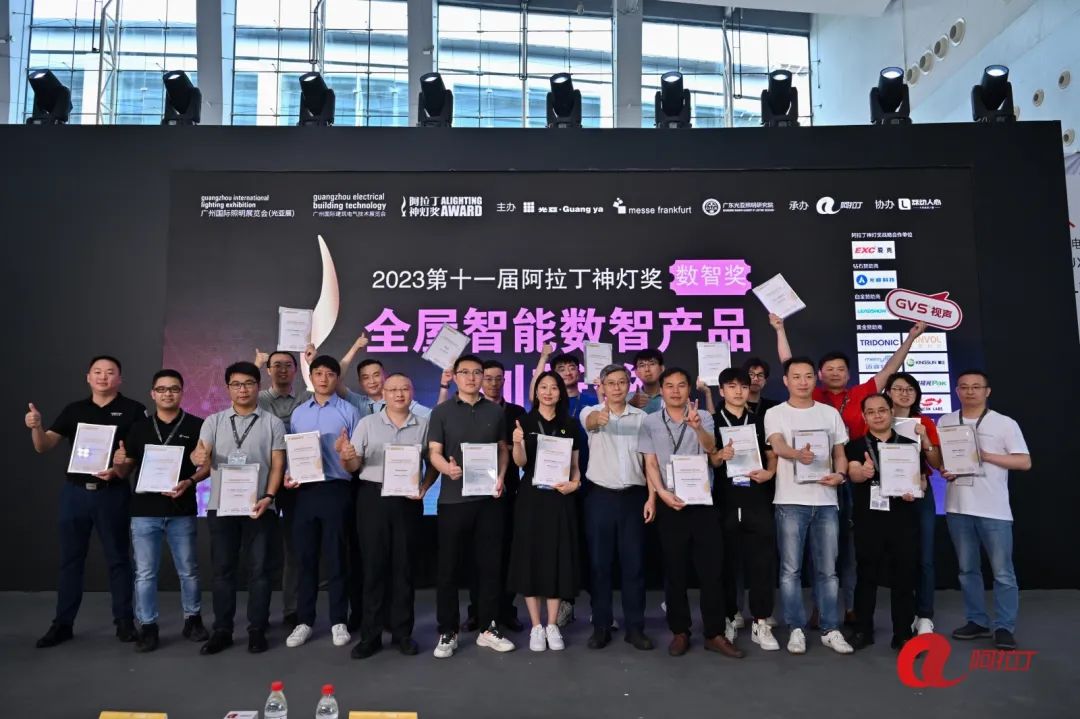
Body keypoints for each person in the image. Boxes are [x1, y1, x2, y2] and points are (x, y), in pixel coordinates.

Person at [771, 313, 927, 626]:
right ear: (818, 375)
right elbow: (789, 364)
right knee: (820, 550)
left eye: (841, 369)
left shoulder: (861, 394)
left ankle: (852, 606)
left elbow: (889, 370)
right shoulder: (813, 396)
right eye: (828, 369)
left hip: (858, 473)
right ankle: (821, 607)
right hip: (819, 476)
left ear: (849, 373)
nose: (835, 373)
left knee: (854, 547)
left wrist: (911, 338)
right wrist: (780, 329)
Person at [26, 355, 145, 648]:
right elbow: (44, 446)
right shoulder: (74, 410)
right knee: (70, 560)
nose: (103, 377)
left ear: (120, 378)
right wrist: (36, 427)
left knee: (119, 559)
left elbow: (135, 458)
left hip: (112, 493)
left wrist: (119, 467)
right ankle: (62, 624)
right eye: (97, 372)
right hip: (75, 494)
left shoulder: (133, 410)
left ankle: (124, 622)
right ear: (88, 377)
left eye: (110, 372)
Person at [639, 368, 743, 658]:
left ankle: (714, 633)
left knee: (712, 571)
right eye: (669, 386)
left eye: (681, 385)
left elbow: (711, 451)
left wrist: (697, 427)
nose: (675, 391)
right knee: (675, 571)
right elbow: (650, 463)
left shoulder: (704, 416)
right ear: (661, 390)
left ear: (689, 389)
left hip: (702, 502)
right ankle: (680, 631)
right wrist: (661, 494)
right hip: (670, 502)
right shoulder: (650, 422)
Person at [191, 361, 285, 655]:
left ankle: (257, 629)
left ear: (258, 386)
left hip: (260, 507)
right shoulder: (214, 421)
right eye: (236, 384)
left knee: (260, 571)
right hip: (221, 508)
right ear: (228, 388)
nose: (242, 389)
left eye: (248, 383)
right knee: (222, 571)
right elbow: (202, 457)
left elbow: (278, 465)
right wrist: (197, 458)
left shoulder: (273, 423)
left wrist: (269, 496)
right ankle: (222, 630)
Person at [112, 369, 209, 652]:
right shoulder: (138, 428)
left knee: (188, 571)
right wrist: (118, 463)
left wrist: (192, 479)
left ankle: (193, 619)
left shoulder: (197, 425)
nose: (168, 394)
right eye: (162, 389)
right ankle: (148, 626)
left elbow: (206, 467)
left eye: (174, 389)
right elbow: (125, 471)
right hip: (144, 511)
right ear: (153, 394)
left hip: (181, 509)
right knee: (145, 573)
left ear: (182, 393)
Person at [763, 356, 852, 655]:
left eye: (808, 376)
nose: (803, 382)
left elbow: (840, 453)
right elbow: (777, 445)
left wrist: (840, 475)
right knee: (791, 571)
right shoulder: (775, 413)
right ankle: (796, 628)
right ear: (786, 381)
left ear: (816, 379)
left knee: (828, 571)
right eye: (796, 376)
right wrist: (796, 455)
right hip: (790, 502)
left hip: (826, 502)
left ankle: (830, 628)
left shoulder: (829, 413)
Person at [341, 372, 433, 658]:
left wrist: (425, 487)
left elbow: (433, 462)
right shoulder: (367, 423)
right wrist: (347, 456)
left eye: (404, 389)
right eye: (392, 390)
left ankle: (403, 633)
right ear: (383, 394)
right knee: (373, 567)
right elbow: (353, 466)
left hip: (407, 500)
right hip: (373, 498)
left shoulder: (424, 425)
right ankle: (370, 635)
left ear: (412, 392)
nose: (399, 394)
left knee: (404, 568)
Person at [428, 354, 514, 657]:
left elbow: (503, 450)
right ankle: (448, 630)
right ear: (455, 377)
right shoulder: (441, 412)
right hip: (453, 501)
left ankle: (488, 628)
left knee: (490, 566)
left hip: (488, 500)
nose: (471, 378)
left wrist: (501, 476)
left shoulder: (495, 410)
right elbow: (434, 452)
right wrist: (446, 469)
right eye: (465, 372)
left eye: (477, 372)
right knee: (448, 569)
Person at [939, 370, 1031, 650]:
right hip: (957, 506)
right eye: (964, 387)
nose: (970, 391)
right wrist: (945, 470)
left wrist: (986, 456)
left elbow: (1024, 462)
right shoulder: (946, 421)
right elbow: (943, 460)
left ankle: (1004, 627)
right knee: (967, 570)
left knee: (1003, 572)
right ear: (957, 391)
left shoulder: (1004, 423)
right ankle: (977, 621)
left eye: (976, 387)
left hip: (994, 509)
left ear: (987, 391)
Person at [281, 355, 362, 650]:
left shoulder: (350, 411)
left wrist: (346, 451)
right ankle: (304, 620)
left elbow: (357, 456)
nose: (324, 378)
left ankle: (339, 620)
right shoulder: (298, 413)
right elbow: (292, 452)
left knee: (337, 557)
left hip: (336, 489)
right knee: (305, 558)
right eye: (318, 373)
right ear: (311, 377)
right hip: (304, 491)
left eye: (330, 374)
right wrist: (289, 473)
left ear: (337, 378)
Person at [580, 364, 656, 651]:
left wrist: (652, 497)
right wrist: (600, 418)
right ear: (601, 386)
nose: (616, 388)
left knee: (634, 565)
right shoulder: (590, 412)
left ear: (629, 384)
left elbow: (650, 462)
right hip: (600, 497)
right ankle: (601, 627)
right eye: (610, 383)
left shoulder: (642, 418)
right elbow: (591, 423)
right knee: (600, 565)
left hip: (634, 498)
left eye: (622, 382)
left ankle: (635, 628)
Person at [507, 371, 583, 651]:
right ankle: (536, 627)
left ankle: (552, 624)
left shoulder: (570, 424)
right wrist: (517, 441)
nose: (548, 392)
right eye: (543, 387)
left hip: (560, 498)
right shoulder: (524, 422)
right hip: (531, 498)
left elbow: (575, 467)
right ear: (536, 392)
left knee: (556, 557)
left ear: (560, 393)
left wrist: (575, 484)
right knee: (531, 557)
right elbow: (520, 462)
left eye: (554, 387)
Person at [709, 368, 779, 652]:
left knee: (762, 563)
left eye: (743, 386)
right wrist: (720, 456)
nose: (738, 391)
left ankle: (761, 621)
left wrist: (770, 472)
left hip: (756, 497)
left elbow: (772, 455)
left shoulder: (762, 420)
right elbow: (710, 460)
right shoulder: (712, 421)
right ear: (721, 391)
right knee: (725, 563)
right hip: (725, 499)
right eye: (731, 386)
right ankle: (729, 616)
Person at [844, 394, 922, 651]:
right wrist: (863, 472)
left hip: (903, 520)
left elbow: (921, 480)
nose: (877, 416)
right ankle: (862, 630)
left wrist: (915, 490)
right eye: (871, 412)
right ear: (864, 416)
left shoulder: (909, 445)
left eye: (882, 410)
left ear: (891, 412)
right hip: (869, 520)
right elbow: (853, 472)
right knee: (866, 576)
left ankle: (903, 633)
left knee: (904, 578)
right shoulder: (856, 445)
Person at [531, 345, 597, 627]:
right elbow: (535, 389)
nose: (568, 372)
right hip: (556, 483)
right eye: (561, 369)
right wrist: (543, 357)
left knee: (591, 545)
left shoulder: (592, 398)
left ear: (580, 371)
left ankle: (598, 607)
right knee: (564, 546)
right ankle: (565, 604)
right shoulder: (549, 404)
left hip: (591, 480)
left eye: (572, 367)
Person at [463, 360, 527, 633]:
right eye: (487, 378)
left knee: (507, 553)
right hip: (475, 491)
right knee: (477, 556)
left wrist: (509, 447)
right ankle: (476, 612)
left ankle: (506, 611)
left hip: (508, 489)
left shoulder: (516, 411)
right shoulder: (469, 410)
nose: (492, 383)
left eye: (498, 378)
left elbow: (525, 449)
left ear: (504, 380)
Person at [253, 349, 311, 632]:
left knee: (294, 549)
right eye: (276, 365)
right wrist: (254, 365)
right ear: (267, 370)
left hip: (299, 482)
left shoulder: (307, 399)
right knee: (261, 551)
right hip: (264, 482)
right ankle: (258, 617)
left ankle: (292, 610)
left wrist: (313, 360)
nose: (282, 370)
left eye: (288, 365)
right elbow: (242, 388)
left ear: (296, 370)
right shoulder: (259, 399)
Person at [883, 372, 943, 635]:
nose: (904, 393)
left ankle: (925, 614)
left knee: (925, 558)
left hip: (920, 495)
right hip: (886, 497)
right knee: (897, 558)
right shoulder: (879, 419)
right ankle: (903, 615)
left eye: (910, 389)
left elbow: (937, 464)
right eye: (898, 388)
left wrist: (925, 438)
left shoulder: (925, 422)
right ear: (888, 392)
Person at [628, 348, 665, 413]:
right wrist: (630, 405)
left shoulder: (672, 395)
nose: (647, 369)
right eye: (642, 365)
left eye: (652, 364)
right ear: (636, 372)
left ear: (662, 368)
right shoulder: (628, 398)